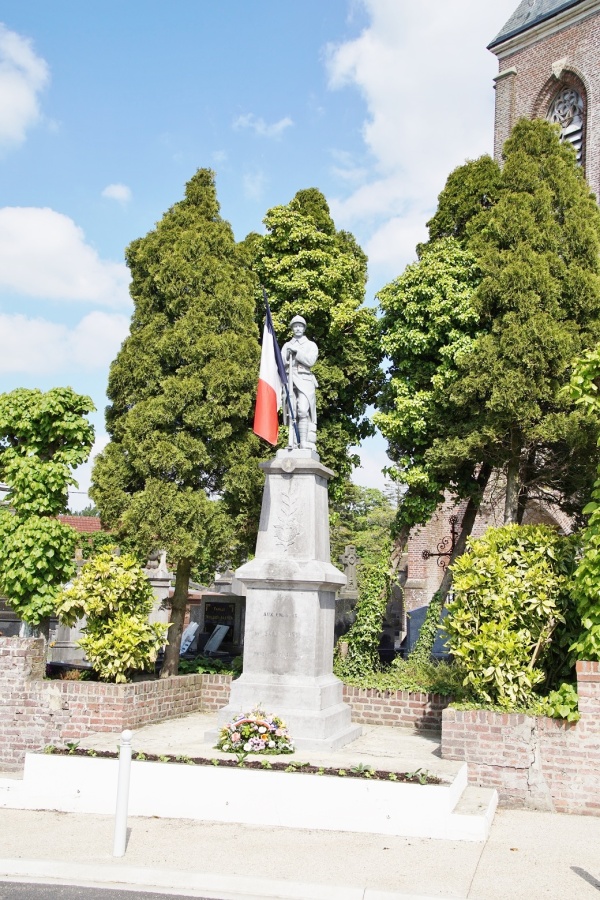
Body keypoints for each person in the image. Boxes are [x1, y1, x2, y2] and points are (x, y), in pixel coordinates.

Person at [281, 315, 318, 450]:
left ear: (304, 328)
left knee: (303, 410)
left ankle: (304, 442)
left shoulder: (310, 345)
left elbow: (311, 361)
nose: (297, 328)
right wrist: (287, 355)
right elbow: (282, 363)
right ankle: (293, 442)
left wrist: (297, 353)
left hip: (305, 380)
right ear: (292, 328)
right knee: (292, 411)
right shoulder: (287, 345)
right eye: (295, 326)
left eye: (300, 326)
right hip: (290, 378)